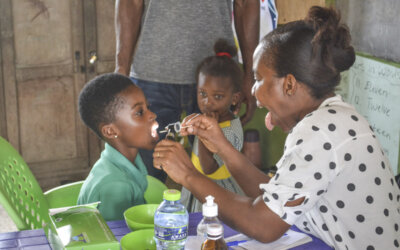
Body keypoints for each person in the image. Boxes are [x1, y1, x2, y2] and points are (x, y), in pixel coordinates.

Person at [153, 6, 400, 249]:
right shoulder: (334, 117)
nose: (253, 90)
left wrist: (188, 174)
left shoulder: (320, 130)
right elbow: (271, 196)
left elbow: (263, 225)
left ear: (290, 84)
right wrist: (222, 147)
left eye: (259, 79)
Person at [114, 0, 260, 182]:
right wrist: (121, 69)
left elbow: (245, 3)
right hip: (151, 74)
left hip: (217, 80)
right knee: (144, 178)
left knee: (218, 176)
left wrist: (251, 73)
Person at [77, 73, 159, 221]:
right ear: (111, 131)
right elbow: (118, 241)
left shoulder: (127, 164)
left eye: (148, 107)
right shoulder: (116, 186)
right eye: (139, 112)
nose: (152, 115)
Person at [181, 39, 245, 213]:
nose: (207, 103)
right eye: (202, 94)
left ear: (235, 98)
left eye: (217, 96)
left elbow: (209, 168)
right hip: (198, 190)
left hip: (217, 197)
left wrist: (204, 134)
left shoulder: (230, 130)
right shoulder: (206, 118)